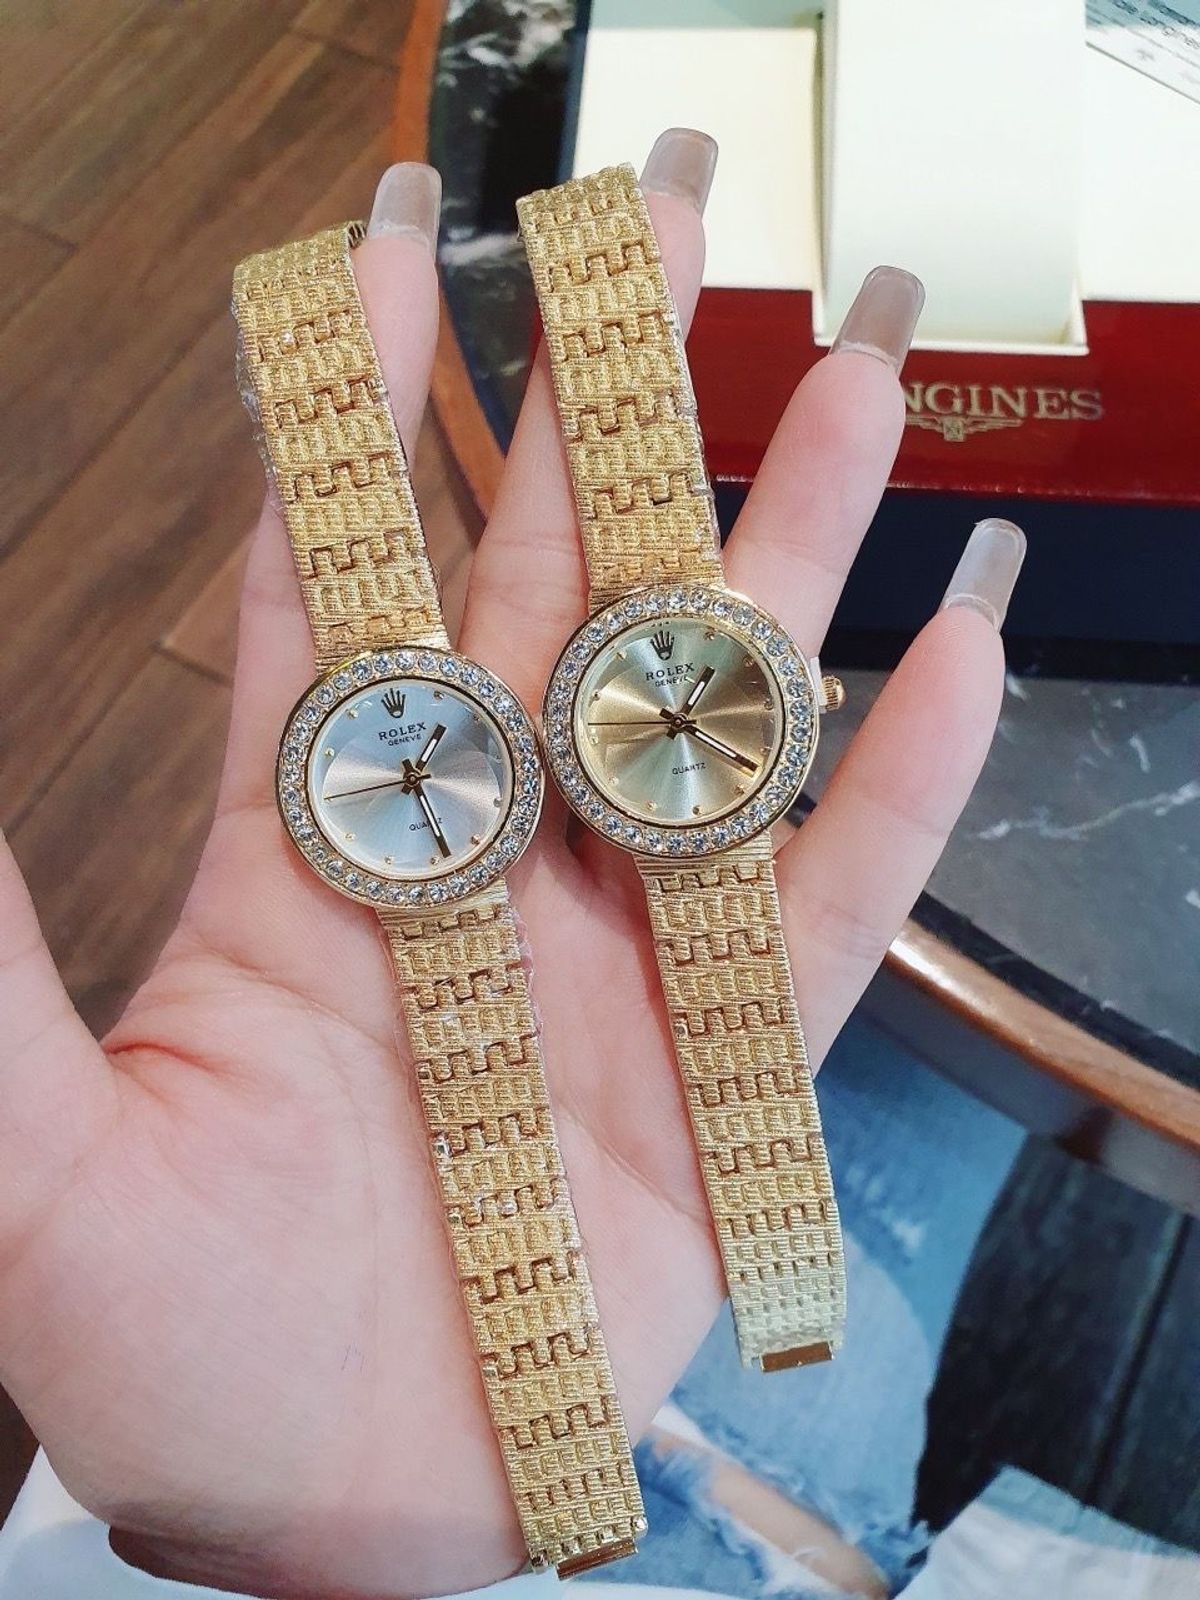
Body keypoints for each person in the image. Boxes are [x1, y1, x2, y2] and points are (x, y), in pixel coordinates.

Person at [9, 126, 1158, 1599]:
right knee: (930, 1065)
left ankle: (742, 1398)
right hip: (732, 1477)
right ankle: (748, 1396)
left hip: (678, 1451)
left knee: (915, 1068)